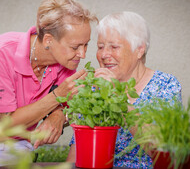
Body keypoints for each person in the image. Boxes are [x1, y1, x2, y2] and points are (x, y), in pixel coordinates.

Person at [0, 0, 97, 168]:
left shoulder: (66, 62)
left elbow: (67, 106)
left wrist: (58, 116)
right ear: (48, 40)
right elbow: (5, 125)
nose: (82, 54)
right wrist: (57, 97)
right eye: (75, 46)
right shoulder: (1, 52)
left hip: (17, 143)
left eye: (86, 45)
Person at [66, 11, 182, 168]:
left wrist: (118, 97)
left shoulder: (165, 85)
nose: (104, 54)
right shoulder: (94, 90)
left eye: (114, 47)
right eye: (100, 47)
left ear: (139, 50)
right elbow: (78, 154)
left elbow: (163, 149)